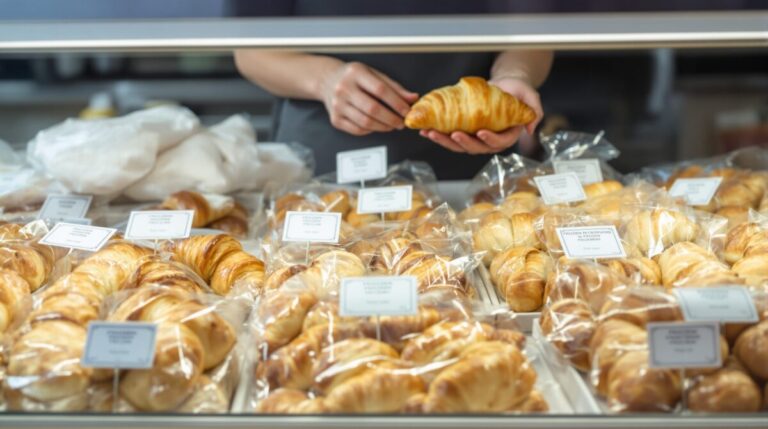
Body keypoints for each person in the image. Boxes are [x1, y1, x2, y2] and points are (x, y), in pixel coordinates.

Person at [233, 5, 553, 179]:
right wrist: (324, 80)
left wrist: (513, 78)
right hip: (321, 172)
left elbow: (534, 30)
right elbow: (249, 51)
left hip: (472, 175)